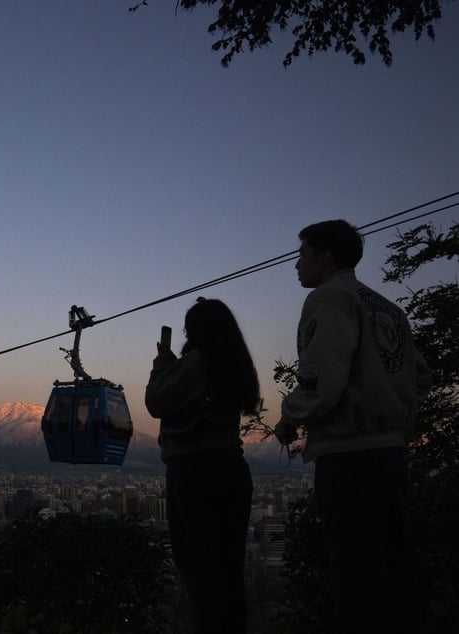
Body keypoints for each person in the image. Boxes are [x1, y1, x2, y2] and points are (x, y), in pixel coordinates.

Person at [274, 219, 432, 634]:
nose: (296, 265)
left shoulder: (328, 300)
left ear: (325, 258)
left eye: (302, 255)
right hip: (391, 455)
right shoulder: (387, 308)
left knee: (357, 578)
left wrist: (289, 418)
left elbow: (319, 382)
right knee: (397, 571)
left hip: (348, 459)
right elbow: (421, 377)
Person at [145, 297, 260, 634]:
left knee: (200, 573)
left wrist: (162, 364)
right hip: (231, 469)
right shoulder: (234, 364)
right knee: (228, 573)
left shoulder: (197, 362)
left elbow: (156, 400)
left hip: (194, 472)